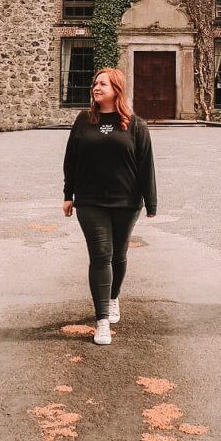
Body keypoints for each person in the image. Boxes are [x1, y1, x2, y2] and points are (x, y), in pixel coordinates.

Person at [62, 66, 157, 346]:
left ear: (117, 89)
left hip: (126, 201)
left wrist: (150, 202)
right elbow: (71, 160)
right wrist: (68, 194)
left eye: (103, 83)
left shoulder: (136, 125)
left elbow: (146, 166)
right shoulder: (83, 121)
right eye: (95, 83)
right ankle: (102, 320)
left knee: (118, 254)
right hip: (90, 200)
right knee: (101, 254)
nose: (96, 87)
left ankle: (113, 297)